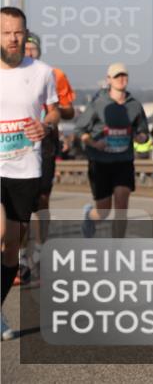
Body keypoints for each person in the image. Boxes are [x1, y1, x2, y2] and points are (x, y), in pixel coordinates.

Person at [1, 8, 59, 340]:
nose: (13, 38)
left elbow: (53, 111)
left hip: (25, 169)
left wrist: (46, 125)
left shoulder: (42, 72)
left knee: (12, 246)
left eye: (18, 32)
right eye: (6, 32)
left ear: (25, 33)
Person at [17, 33, 75, 285]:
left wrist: (55, 108)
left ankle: (40, 252)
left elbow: (70, 111)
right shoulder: (9, 75)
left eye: (33, 48)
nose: (29, 52)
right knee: (20, 203)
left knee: (41, 199)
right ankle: (20, 258)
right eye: (26, 48)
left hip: (46, 144)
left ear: (39, 51)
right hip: (17, 145)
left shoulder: (53, 75)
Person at [77, 63, 150, 238]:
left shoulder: (135, 105)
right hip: (100, 162)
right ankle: (90, 217)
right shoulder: (98, 103)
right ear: (109, 79)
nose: (121, 79)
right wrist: (94, 143)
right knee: (103, 211)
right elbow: (80, 130)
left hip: (124, 161)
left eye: (124, 75)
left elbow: (143, 131)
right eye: (117, 76)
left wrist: (140, 137)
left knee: (121, 206)